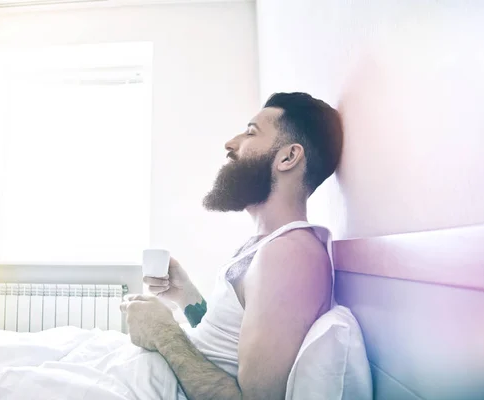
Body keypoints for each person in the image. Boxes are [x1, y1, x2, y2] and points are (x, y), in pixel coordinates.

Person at [120, 92, 343, 400]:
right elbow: (226, 349)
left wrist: (163, 333)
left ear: (288, 157)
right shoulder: (266, 245)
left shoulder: (290, 255)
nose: (231, 143)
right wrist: (186, 296)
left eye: (251, 132)